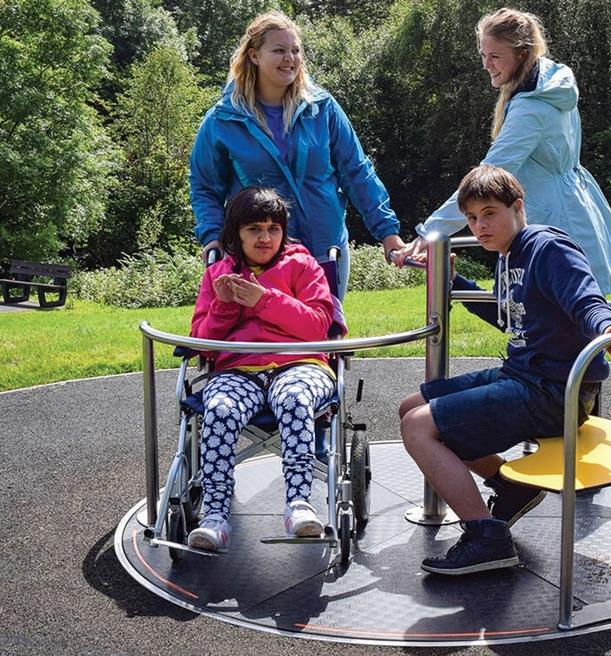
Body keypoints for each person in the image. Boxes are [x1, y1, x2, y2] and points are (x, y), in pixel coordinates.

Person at [398, 165, 611, 575]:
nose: (479, 226)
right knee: (410, 408)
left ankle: (486, 537)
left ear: (517, 207)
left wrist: (607, 326)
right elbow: (510, 316)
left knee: (419, 428)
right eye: (472, 218)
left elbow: (586, 299)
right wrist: (452, 280)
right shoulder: (508, 254)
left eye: (489, 213)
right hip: (522, 376)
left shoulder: (547, 248)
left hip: (554, 392)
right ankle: (510, 487)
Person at [395, 8, 611, 296]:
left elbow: (486, 179)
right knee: (562, 315)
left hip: (553, 220)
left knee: (559, 317)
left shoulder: (531, 108)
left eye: (495, 56)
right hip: (572, 207)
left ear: (522, 54)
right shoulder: (548, 85)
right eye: (483, 55)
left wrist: (432, 231)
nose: (486, 64)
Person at [189, 10, 406, 299]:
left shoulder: (322, 108)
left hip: (325, 247)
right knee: (267, 336)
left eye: (295, 50)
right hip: (259, 254)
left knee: (324, 334)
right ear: (254, 56)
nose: (290, 58)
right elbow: (205, 187)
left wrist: (387, 231)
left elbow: (356, 171)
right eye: (279, 50)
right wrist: (212, 236)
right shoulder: (222, 120)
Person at [187, 186, 341, 552]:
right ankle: (214, 516)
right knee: (220, 410)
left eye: (273, 228)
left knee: (294, 398)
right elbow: (201, 342)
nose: (265, 237)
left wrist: (264, 300)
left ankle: (299, 503)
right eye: (254, 229)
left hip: (299, 364)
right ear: (235, 233)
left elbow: (319, 325)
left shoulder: (303, 265)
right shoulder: (218, 275)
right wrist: (225, 306)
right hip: (237, 370)